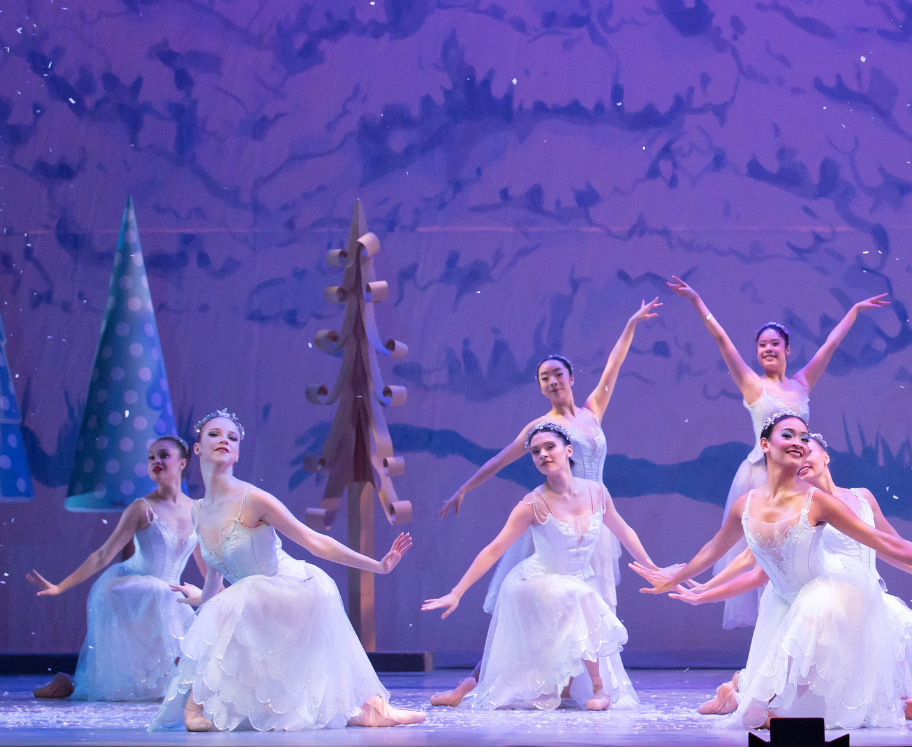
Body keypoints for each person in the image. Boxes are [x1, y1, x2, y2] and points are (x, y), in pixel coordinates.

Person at [637, 412, 912, 728]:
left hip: (829, 597)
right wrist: (675, 579)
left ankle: (772, 704)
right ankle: (897, 705)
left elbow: (883, 541)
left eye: (804, 438)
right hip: (785, 602)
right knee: (801, 706)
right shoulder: (747, 504)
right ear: (765, 445)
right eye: (789, 435)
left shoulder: (816, 501)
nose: (799, 443)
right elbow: (714, 549)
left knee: (761, 711)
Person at [434, 299, 658, 703]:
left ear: (571, 377)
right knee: (539, 612)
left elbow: (614, 367)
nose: (552, 381)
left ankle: (576, 684)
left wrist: (630, 325)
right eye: (543, 378)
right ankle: (473, 683)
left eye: (557, 374)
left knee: (591, 607)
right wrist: (463, 488)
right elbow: (500, 459)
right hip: (553, 520)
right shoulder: (541, 429)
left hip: (593, 516)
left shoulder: (592, 412)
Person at [150, 412, 423, 732]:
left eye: (232, 437)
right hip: (256, 601)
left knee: (237, 599)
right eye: (214, 434)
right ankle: (366, 712)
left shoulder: (253, 499)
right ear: (196, 449)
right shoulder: (198, 512)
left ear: (237, 453)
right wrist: (200, 597)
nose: (224, 439)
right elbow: (215, 580)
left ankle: (193, 706)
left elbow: (314, 541)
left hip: (296, 589)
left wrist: (377, 565)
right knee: (230, 612)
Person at [666, 276, 889, 628]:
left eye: (774, 344)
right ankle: (771, 634)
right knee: (760, 559)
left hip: (800, 476)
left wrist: (854, 312)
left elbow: (830, 345)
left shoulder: (801, 384)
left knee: (801, 551)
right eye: (761, 345)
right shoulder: (753, 385)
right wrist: (697, 301)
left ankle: (805, 627)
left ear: (787, 349)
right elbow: (722, 340)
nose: (767, 349)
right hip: (761, 474)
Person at [423, 423, 660, 710]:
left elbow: (624, 530)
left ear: (568, 450)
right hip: (536, 582)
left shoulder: (597, 493)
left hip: (578, 582)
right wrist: (456, 592)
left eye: (550, 447)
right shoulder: (532, 504)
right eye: (536, 451)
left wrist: (652, 567)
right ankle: (600, 690)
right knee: (579, 597)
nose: (543, 454)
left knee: (545, 669)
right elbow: (493, 549)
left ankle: (468, 687)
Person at [28, 436, 205, 701]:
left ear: (182, 462)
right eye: (151, 457)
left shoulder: (199, 510)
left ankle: (65, 685)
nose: (156, 461)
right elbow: (102, 555)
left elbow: (208, 564)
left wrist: (224, 599)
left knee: (175, 601)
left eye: (163, 455)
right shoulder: (141, 508)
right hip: (130, 587)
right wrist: (59, 587)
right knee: (163, 593)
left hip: (168, 593)